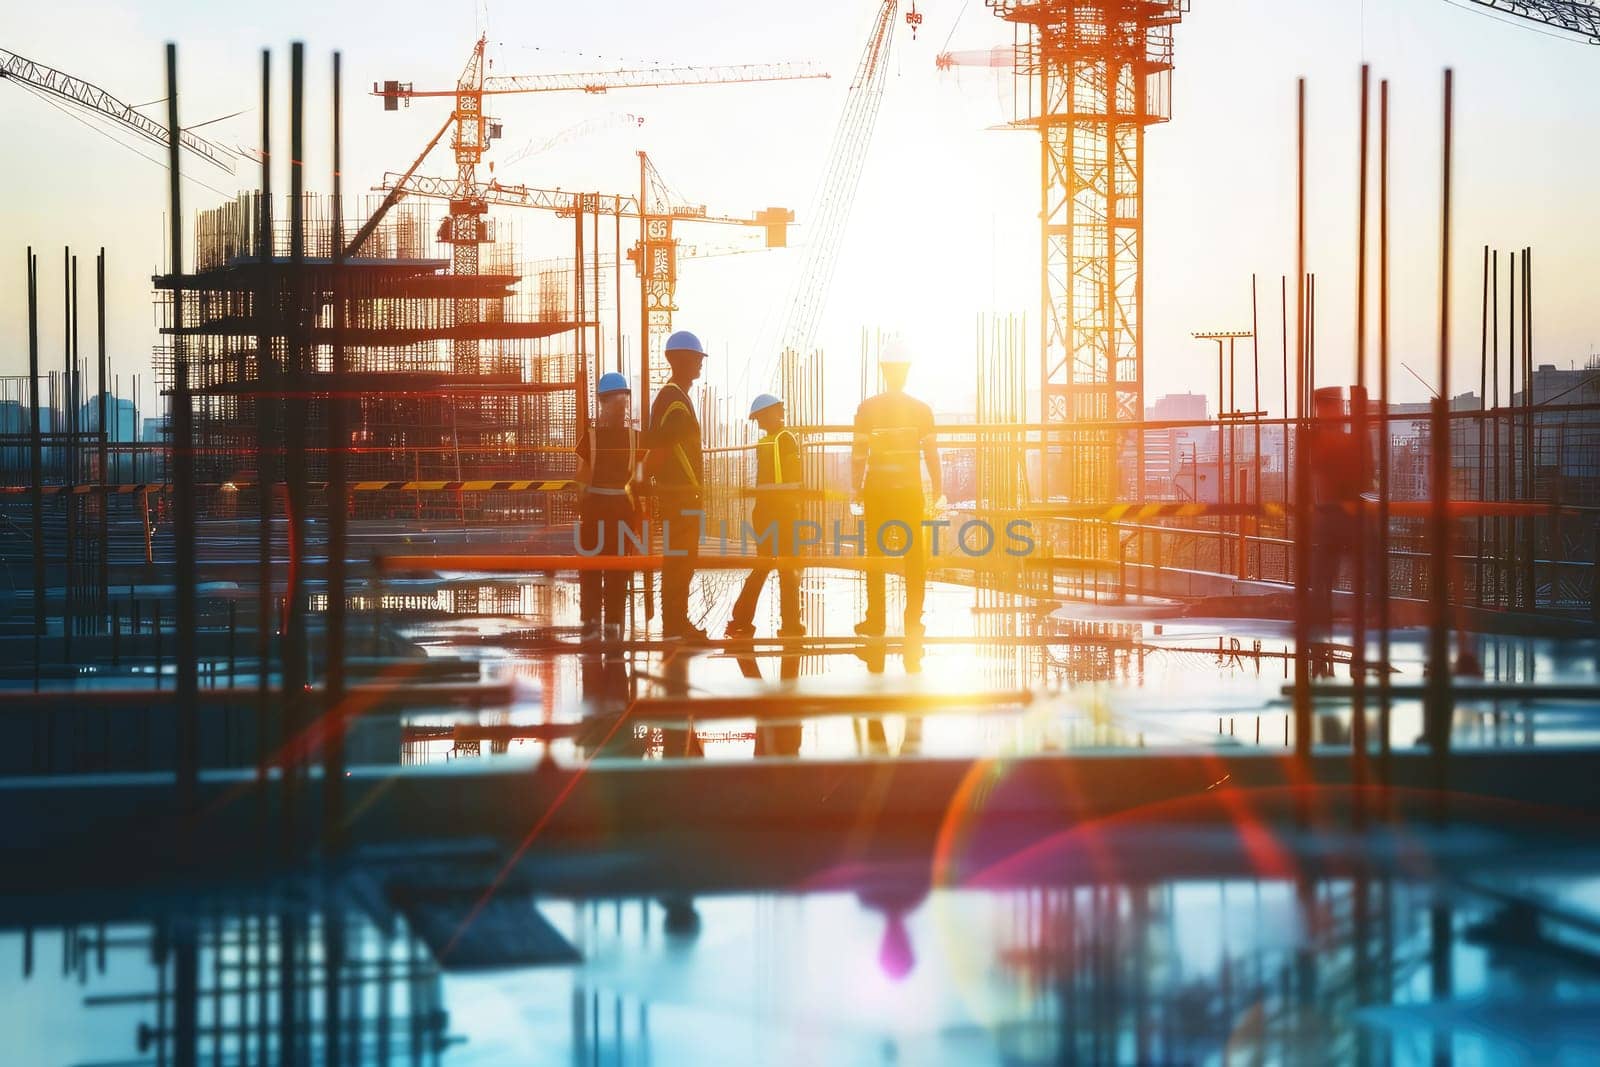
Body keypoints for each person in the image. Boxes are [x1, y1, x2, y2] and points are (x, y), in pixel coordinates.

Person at [851, 339, 943, 639]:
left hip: (877, 491)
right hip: (909, 492)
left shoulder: (867, 408)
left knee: (875, 555)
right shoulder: (921, 410)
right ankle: (913, 621)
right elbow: (931, 454)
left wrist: (856, 490)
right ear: (906, 372)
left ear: (883, 370)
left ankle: (875, 620)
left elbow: (858, 455)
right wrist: (939, 490)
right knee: (915, 557)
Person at [646, 330, 709, 642]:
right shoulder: (673, 400)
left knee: (680, 561)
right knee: (680, 561)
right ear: (683, 360)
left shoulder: (674, 398)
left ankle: (675, 623)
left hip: (681, 494)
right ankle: (676, 625)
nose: (700, 365)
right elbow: (660, 448)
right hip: (680, 495)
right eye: (697, 359)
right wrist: (643, 480)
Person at [726, 393, 804, 641]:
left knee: (764, 565)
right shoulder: (786, 439)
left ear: (772, 413)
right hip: (783, 511)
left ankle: (741, 617)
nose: (758, 423)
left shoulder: (767, 442)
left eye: (759, 418)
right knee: (787, 568)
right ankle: (791, 624)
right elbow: (794, 477)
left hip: (764, 511)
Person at [574, 372, 642, 643]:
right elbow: (639, 482)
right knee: (614, 573)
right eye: (618, 401)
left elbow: (580, 480)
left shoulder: (593, 438)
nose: (620, 406)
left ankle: (594, 628)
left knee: (598, 571)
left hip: (597, 513)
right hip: (617, 512)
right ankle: (610, 629)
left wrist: (583, 505)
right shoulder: (633, 439)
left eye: (621, 401)